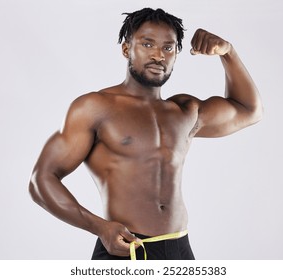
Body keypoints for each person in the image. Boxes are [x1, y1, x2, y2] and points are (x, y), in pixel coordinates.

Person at [29, 8, 263, 260]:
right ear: (126, 49)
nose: (158, 55)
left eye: (168, 47)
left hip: (180, 248)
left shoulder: (184, 111)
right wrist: (100, 227)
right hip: (125, 247)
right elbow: (42, 179)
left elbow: (249, 111)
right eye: (147, 44)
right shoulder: (95, 107)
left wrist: (228, 53)